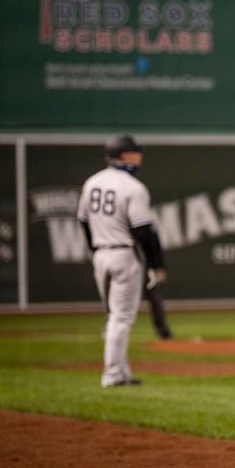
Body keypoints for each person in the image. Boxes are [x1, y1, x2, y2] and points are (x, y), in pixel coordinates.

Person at [77, 135, 167, 387]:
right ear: (125, 156)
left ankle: (121, 370)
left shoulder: (92, 182)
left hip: (100, 254)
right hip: (123, 254)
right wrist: (156, 264)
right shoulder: (132, 187)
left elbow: (83, 220)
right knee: (122, 317)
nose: (140, 157)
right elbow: (143, 230)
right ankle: (113, 373)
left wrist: (94, 251)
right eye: (136, 153)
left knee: (113, 316)